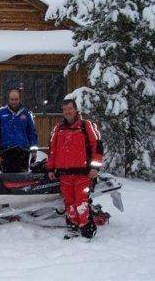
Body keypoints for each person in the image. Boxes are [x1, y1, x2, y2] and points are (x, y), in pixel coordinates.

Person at [47, 99, 103, 239]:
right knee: (69, 203)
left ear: (76, 109)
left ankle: (86, 229)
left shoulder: (86, 125)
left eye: (70, 109)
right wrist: (50, 168)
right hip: (64, 174)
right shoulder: (58, 128)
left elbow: (97, 147)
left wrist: (95, 168)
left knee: (81, 202)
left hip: (82, 173)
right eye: (65, 109)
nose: (67, 112)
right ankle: (72, 227)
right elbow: (52, 150)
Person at [0, 89, 38, 173]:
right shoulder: (0, 113)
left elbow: (32, 133)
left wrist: (34, 150)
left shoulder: (27, 114)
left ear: (19, 99)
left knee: (22, 179)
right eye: (12, 99)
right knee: (8, 180)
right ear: (8, 99)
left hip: (23, 152)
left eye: (16, 99)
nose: (14, 102)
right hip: (6, 152)